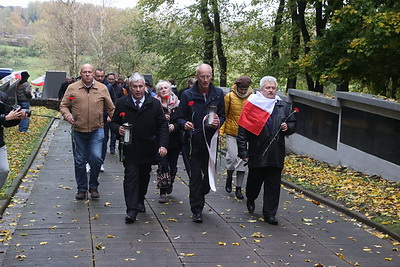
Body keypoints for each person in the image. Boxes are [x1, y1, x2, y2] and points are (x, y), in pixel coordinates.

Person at [237, 76, 296, 225]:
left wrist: (287, 127)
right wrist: (243, 152)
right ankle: (251, 198)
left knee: (273, 185)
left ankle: (269, 213)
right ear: (261, 89)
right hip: (257, 152)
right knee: (254, 183)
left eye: (273, 88)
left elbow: (293, 124)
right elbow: (242, 131)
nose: (270, 90)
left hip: (276, 153)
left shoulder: (282, 105)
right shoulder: (253, 105)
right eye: (267, 88)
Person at [110, 73, 168, 224]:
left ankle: (140, 199)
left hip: (148, 147)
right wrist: (119, 129)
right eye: (134, 87)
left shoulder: (154, 103)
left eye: (140, 86)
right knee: (130, 178)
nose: (138, 90)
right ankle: (131, 210)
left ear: (145, 87)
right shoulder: (122, 102)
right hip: (129, 148)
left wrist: (163, 145)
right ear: (129, 87)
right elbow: (113, 122)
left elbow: (162, 125)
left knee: (144, 177)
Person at [177, 63, 225, 223]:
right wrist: (184, 124)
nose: (205, 79)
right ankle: (197, 210)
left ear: (212, 75)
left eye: (208, 76)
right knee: (195, 176)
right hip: (192, 142)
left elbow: (223, 115)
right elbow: (179, 117)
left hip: (210, 142)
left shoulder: (218, 93)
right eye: (202, 76)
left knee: (208, 176)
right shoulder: (187, 95)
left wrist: (219, 120)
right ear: (196, 76)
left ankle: (200, 192)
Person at [60, 63, 115, 200]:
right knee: (79, 161)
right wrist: (68, 115)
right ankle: (82, 189)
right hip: (78, 129)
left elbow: (111, 107)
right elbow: (64, 105)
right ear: (81, 73)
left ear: (93, 74)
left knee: (96, 158)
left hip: (97, 130)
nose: (87, 74)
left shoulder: (102, 88)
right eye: (85, 72)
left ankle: (94, 186)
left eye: (90, 72)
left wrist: (113, 118)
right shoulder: (72, 88)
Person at [219, 76, 253, 199]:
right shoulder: (229, 97)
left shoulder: (253, 97)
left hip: (246, 134)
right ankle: (229, 176)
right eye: (241, 89)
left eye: (245, 89)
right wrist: (221, 132)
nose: (243, 91)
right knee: (233, 158)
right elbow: (224, 114)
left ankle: (238, 188)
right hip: (231, 132)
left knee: (242, 161)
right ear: (237, 87)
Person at [154, 80, 181, 203]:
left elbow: (182, 119)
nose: (164, 90)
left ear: (170, 90)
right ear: (158, 92)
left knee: (173, 165)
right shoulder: (154, 104)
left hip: (174, 139)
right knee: (163, 164)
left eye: (166, 88)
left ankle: (170, 182)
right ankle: (163, 190)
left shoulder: (178, 104)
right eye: (161, 88)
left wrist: (175, 125)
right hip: (159, 140)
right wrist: (161, 118)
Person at [0, 91, 28, 188]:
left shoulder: (2, 96)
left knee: (4, 170)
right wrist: (5, 118)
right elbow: (6, 118)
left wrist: (17, 117)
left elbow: (7, 121)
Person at [94, 68, 116, 172]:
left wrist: (110, 115)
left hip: (104, 117)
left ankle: (101, 161)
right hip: (92, 116)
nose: (100, 78)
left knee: (103, 139)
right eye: (98, 76)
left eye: (102, 76)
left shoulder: (108, 87)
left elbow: (112, 101)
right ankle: (90, 161)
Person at [107, 72, 125, 154]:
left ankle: (112, 147)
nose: (111, 81)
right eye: (109, 79)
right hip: (106, 111)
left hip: (116, 111)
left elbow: (122, 98)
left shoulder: (119, 88)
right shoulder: (105, 87)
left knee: (114, 131)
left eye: (112, 79)